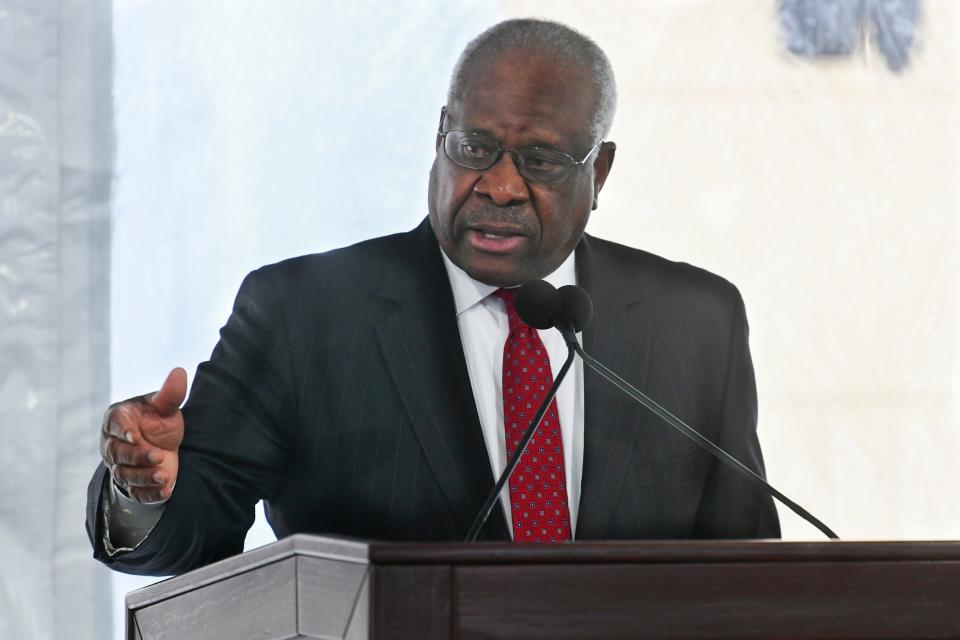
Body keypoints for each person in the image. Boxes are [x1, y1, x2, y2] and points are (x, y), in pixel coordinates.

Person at [87, 18, 780, 576]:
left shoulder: (696, 321)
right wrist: (147, 489)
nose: (500, 186)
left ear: (598, 171)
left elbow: (751, 578)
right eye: (474, 147)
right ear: (439, 136)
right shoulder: (303, 316)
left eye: (538, 161)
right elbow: (199, 528)